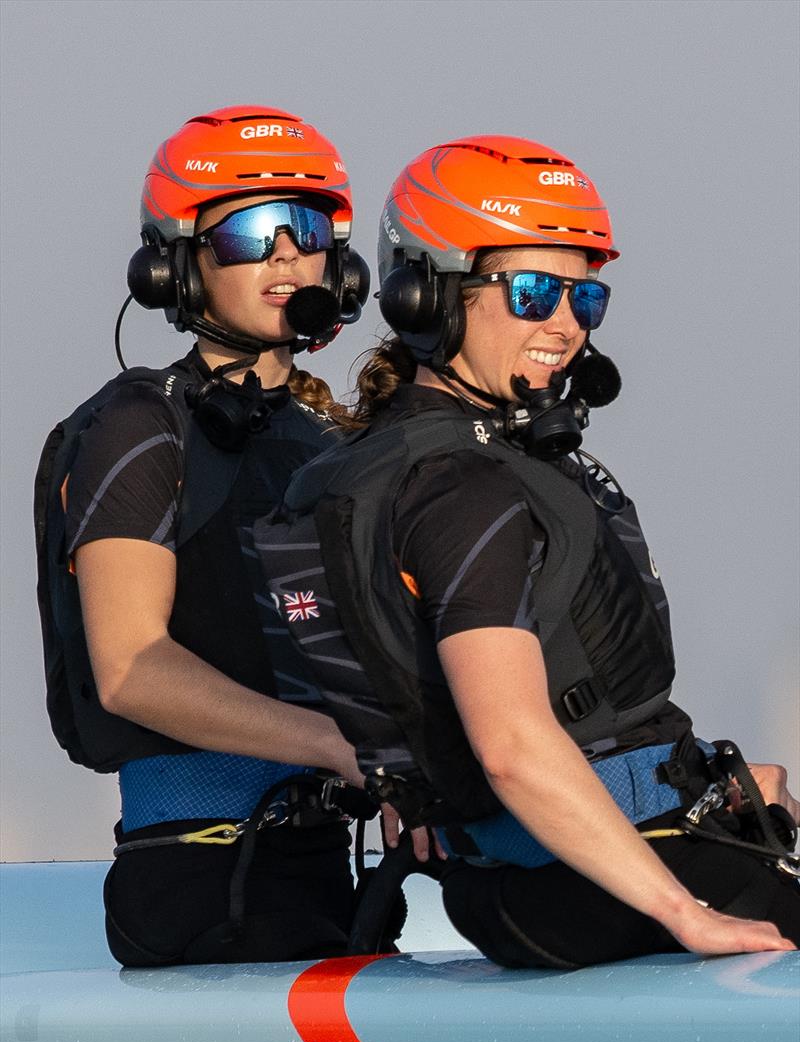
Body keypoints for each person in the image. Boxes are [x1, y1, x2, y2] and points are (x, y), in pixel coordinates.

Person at [254, 135, 800, 967]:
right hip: (606, 885)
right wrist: (687, 912)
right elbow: (510, 748)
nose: (565, 326)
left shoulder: (396, 466)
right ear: (428, 299)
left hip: (554, 875)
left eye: (587, 300)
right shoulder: (462, 487)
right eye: (535, 291)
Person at [36, 105, 375, 967]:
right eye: (252, 231)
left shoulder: (329, 443)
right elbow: (131, 667)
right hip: (202, 878)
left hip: (328, 868)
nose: (287, 254)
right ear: (174, 267)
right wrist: (338, 745)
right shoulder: (141, 426)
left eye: (309, 229)